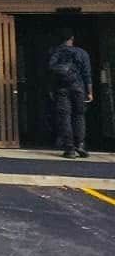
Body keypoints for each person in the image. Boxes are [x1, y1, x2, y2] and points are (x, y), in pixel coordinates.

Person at [47, 28, 93, 158]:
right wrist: (89, 92)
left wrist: (50, 89)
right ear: (72, 38)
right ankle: (80, 144)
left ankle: (69, 149)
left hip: (61, 89)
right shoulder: (82, 53)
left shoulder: (54, 52)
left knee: (64, 117)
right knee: (79, 115)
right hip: (79, 88)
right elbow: (87, 74)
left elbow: (50, 73)